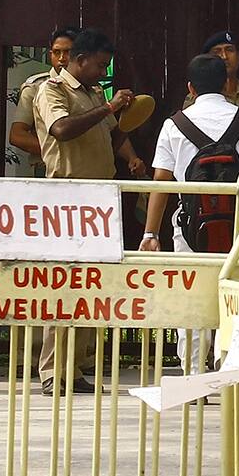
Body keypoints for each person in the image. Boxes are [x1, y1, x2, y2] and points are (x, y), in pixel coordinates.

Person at [140, 54, 239, 373]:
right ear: (227, 85)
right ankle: (227, 361)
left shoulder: (174, 125)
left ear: (190, 87)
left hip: (189, 229)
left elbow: (160, 181)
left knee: (190, 297)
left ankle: (193, 373)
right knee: (235, 294)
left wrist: (150, 234)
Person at [33, 28, 146, 395]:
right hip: (66, 197)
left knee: (89, 284)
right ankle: (52, 372)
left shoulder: (96, 94)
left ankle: (76, 367)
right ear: (79, 60)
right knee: (61, 285)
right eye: (99, 65)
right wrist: (109, 108)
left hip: (99, 199)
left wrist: (129, 147)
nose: (103, 73)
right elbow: (62, 129)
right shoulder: (52, 90)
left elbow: (113, 136)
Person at [8, 27, 77, 161]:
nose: (62, 58)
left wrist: (131, 157)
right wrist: (55, 153)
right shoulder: (36, 86)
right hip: (46, 169)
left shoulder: (89, 88)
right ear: (50, 54)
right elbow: (17, 135)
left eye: (67, 52)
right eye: (57, 52)